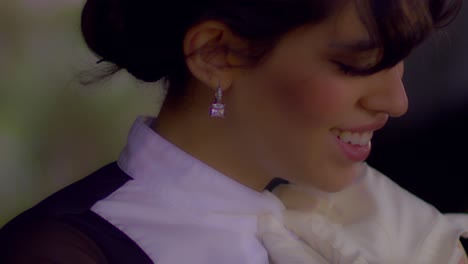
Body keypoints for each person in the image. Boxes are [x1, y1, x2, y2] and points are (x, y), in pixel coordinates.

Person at [1, 0, 467, 263]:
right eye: (356, 65)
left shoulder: (370, 226)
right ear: (216, 55)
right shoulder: (65, 251)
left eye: (401, 59)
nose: (396, 101)